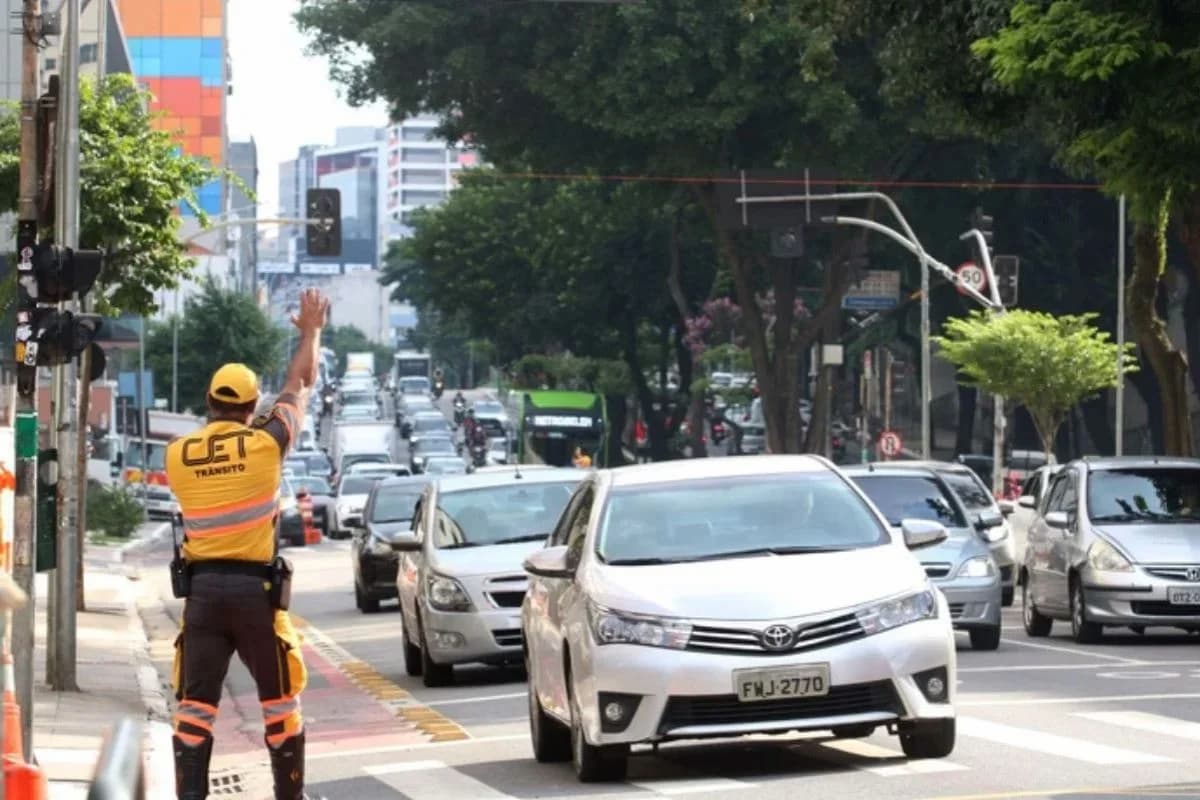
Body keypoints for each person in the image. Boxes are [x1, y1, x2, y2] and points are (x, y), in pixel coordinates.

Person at [165, 288, 329, 800]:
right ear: (252, 405)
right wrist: (310, 332)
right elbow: (301, 383)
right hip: (256, 597)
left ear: (209, 402)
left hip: (204, 598)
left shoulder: (177, 455)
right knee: (281, 707)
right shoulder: (266, 445)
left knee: (194, 711)